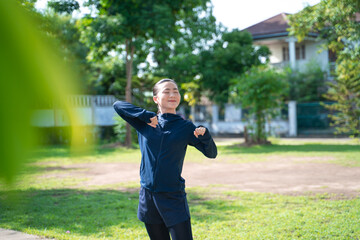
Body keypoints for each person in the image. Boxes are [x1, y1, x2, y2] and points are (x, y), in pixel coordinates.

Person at [113, 79, 217, 240]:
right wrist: (146, 115)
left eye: (175, 91)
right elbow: (118, 105)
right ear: (156, 98)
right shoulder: (145, 122)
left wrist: (206, 137)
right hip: (148, 196)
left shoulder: (186, 127)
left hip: (173, 196)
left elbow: (211, 153)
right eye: (166, 91)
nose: (172, 94)